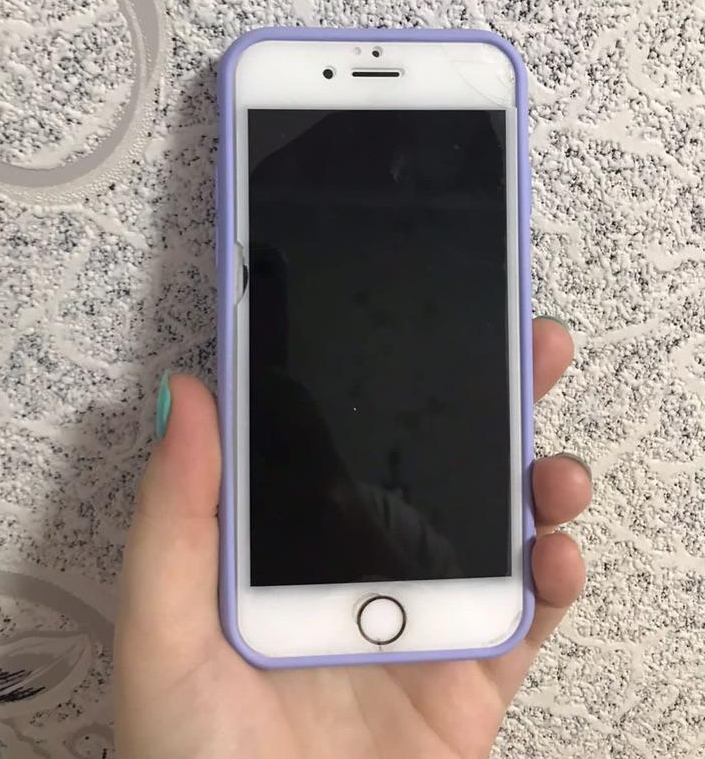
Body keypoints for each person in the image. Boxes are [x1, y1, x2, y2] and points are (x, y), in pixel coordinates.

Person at [115, 317, 591, 758]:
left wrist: (352, 522)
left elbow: (439, 578)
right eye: (270, 454)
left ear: (323, 449)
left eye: (300, 451)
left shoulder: (383, 519)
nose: (287, 472)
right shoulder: (235, 548)